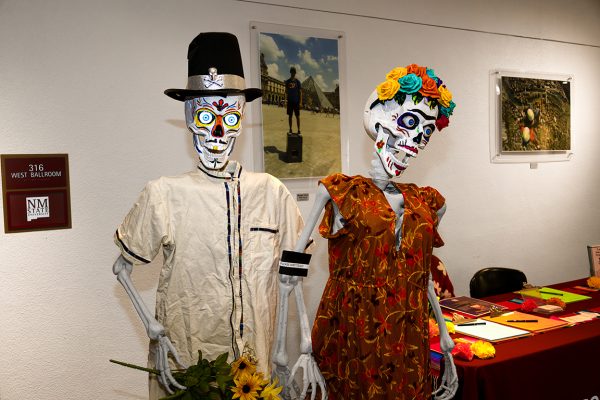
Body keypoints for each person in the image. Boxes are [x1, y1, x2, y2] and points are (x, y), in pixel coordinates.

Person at [112, 32, 305, 399]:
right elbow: (122, 268)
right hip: (190, 369)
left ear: (242, 119)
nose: (217, 131)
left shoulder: (272, 193)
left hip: (257, 373)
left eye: (229, 117)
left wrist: (290, 349)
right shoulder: (164, 194)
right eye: (205, 114)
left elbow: (290, 281)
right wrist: (153, 328)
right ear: (188, 118)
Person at [273, 64, 458, 400]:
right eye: (411, 123)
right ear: (380, 120)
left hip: (408, 333)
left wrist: (443, 336)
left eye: (425, 133)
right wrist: (297, 348)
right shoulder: (342, 192)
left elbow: (423, 273)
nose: (414, 143)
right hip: (354, 329)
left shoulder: (426, 201)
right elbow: (291, 273)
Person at [285, 66, 302, 134]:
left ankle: (299, 130)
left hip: (296, 102)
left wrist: (300, 102)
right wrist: (286, 100)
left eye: (294, 72)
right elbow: (286, 92)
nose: (293, 73)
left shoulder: (298, 82)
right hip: (290, 101)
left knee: (297, 116)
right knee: (290, 116)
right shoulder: (288, 81)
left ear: (295, 73)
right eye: (292, 72)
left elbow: (300, 93)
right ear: (290, 72)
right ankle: (290, 129)